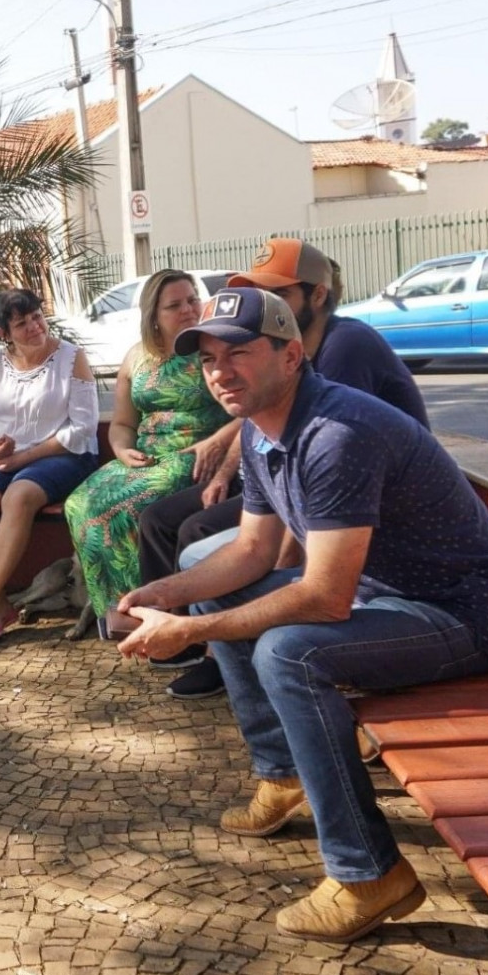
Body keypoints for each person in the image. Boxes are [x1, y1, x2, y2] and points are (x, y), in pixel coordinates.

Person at [117, 288, 488, 942]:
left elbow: (324, 597)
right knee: (220, 595)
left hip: (461, 614)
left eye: (239, 353)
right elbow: (251, 551)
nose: (220, 371)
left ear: (291, 353)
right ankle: (281, 776)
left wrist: (191, 631)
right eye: (209, 358)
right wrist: (165, 593)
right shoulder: (260, 426)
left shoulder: (336, 433)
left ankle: (367, 873)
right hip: (381, 596)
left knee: (289, 651)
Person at [138, 239, 430, 699]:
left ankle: (219, 657)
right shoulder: (275, 393)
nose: (265, 301)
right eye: (210, 360)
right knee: (173, 529)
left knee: (232, 586)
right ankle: (226, 673)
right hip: (339, 522)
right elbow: (266, 443)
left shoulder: (344, 351)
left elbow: (329, 468)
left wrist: (272, 581)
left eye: (278, 292)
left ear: (317, 295)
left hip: (387, 549)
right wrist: (165, 594)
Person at [62, 269, 229, 639]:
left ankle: (139, 607)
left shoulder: (211, 346)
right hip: (145, 455)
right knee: (77, 503)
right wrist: (122, 450)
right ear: (153, 314)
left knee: (117, 508)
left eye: (192, 300)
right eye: (175, 305)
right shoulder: (137, 357)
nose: (188, 309)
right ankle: (113, 607)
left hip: (196, 452)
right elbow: (122, 423)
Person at [0, 288, 102, 644]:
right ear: (4, 333)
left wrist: (21, 458)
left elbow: (82, 427)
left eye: (37, 316)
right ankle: (2, 604)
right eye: (22, 323)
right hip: (7, 457)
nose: (35, 326)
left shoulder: (71, 357)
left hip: (64, 455)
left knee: (18, 496)